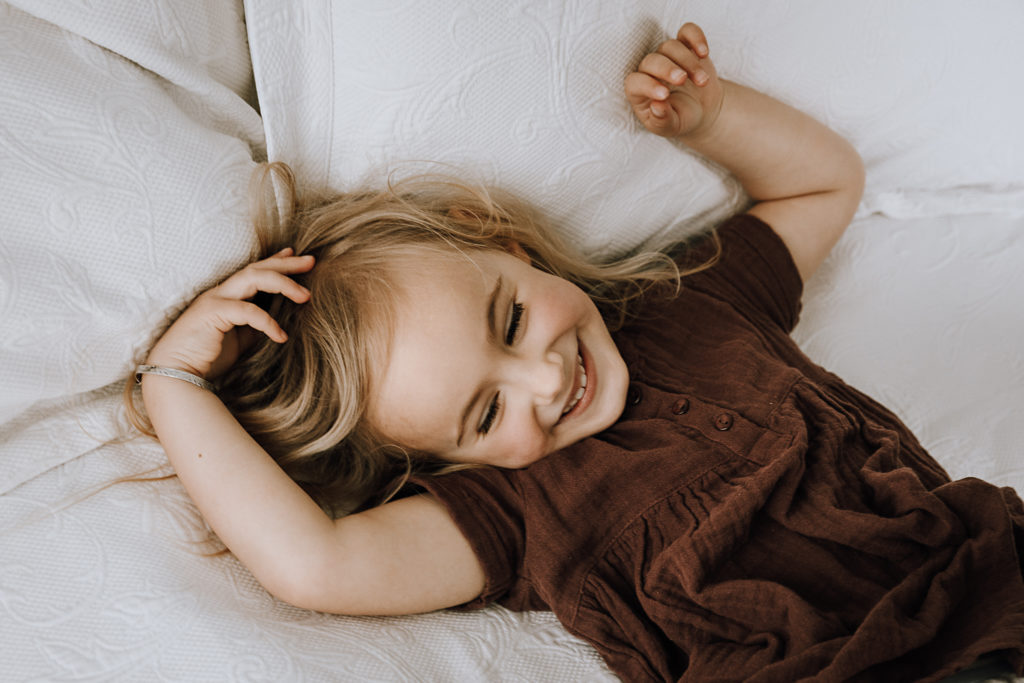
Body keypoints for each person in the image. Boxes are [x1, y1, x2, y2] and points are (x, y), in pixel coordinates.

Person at [130, 23, 1024, 682]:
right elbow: (315, 564)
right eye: (486, 413)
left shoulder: (688, 304)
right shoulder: (514, 513)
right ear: (442, 462)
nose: (544, 377)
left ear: (505, 246)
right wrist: (175, 385)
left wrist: (711, 118)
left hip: (984, 576)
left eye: (511, 321)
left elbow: (826, 183)